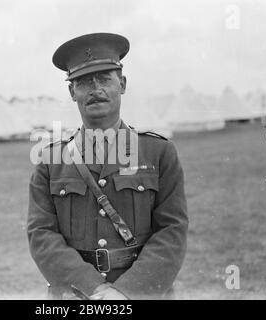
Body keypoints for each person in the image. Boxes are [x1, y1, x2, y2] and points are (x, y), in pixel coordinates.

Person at [27, 33, 188, 300]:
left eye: (104, 79)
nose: (95, 89)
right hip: (76, 293)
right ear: (71, 92)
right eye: (83, 82)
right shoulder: (50, 160)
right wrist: (94, 288)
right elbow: (41, 235)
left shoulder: (159, 152)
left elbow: (172, 231)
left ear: (122, 84)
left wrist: (128, 291)